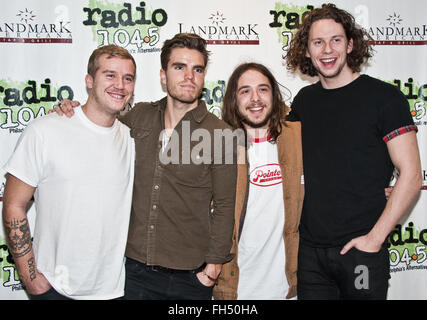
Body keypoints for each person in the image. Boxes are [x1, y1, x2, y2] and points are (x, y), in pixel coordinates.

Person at [53, 33, 237, 300]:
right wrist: (70, 110)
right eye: (179, 67)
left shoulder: (220, 134)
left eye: (197, 69)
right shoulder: (138, 116)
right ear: (163, 76)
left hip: (189, 279)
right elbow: (98, 117)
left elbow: (224, 206)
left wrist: (211, 271)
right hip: (132, 272)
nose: (189, 76)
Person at [285, 3, 422, 299]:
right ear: (306, 51)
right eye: (317, 42)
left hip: (362, 252)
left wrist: (374, 239)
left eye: (335, 40)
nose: (327, 50)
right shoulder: (303, 101)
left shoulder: (385, 98)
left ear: (350, 44)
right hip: (310, 255)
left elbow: (411, 175)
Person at [2, 45, 136, 300]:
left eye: (127, 78)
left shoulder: (132, 137)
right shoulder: (46, 130)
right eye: (110, 75)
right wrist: (31, 279)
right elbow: (13, 205)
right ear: (89, 80)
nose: (120, 84)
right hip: (55, 289)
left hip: (114, 291)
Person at [213, 62, 304, 299]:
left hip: (287, 288)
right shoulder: (218, 146)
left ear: (274, 95)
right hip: (236, 289)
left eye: (263, 89)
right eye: (245, 91)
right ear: (234, 99)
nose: (255, 98)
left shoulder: (297, 138)